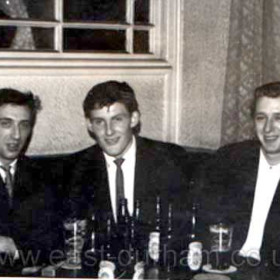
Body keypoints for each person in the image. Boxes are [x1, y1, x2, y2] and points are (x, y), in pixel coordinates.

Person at [67, 80, 190, 269]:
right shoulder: (76, 168)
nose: (108, 132)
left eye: (117, 119)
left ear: (133, 119)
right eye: (99, 122)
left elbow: (182, 231)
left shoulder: (169, 160)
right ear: (89, 125)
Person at [198, 81, 280, 273]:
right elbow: (202, 220)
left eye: (278, 118)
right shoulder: (230, 160)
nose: (268, 128)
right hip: (226, 269)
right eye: (261, 118)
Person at [0, 88, 63, 272]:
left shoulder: (42, 175)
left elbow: (56, 245)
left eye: (24, 125)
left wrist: (13, 247)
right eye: (6, 124)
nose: (17, 135)